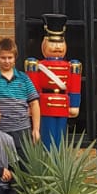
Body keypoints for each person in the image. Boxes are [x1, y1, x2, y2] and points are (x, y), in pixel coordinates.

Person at [27, 14, 81, 148]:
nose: (57, 47)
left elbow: (74, 86)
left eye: (60, 43)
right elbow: (34, 87)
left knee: (60, 140)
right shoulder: (37, 64)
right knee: (47, 139)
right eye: (53, 43)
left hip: (63, 105)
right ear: (45, 44)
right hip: (45, 105)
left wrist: (74, 105)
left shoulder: (72, 65)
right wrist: (32, 105)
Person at [0, 38, 41, 151]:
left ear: (15, 58)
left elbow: (34, 103)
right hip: (0, 130)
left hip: (23, 131)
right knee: (2, 166)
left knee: (23, 167)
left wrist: (36, 129)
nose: (7, 61)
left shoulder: (24, 78)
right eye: (3, 58)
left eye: (10, 57)